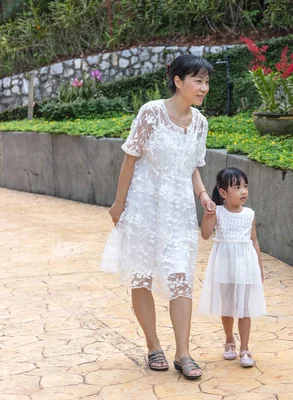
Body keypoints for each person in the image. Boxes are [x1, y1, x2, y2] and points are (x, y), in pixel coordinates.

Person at [100, 54, 215, 379]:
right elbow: (130, 159)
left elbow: (192, 167)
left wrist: (204, 196)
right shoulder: (151, 112)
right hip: (144, 207)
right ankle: (153, 346)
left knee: (181, 279)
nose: (204, 88)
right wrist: (119, 204)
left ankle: (183, 353)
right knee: (142, 276)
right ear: (178, 81)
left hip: (179, 211)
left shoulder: (201, 123)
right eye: (198, 80)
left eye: (206, 82)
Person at [198, 167, 267, 368]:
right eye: (237, 187)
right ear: (223, 193)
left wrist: (259, 267)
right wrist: (207, 216)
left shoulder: (249, 214)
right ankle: (229, 340)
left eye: (245, 186)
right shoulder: (217, 212)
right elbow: (205, 234)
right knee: (227, 305)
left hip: (245, 263)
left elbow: (254, 241)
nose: (243, 191)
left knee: (244, 307)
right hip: (224, 263)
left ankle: (245, 348)